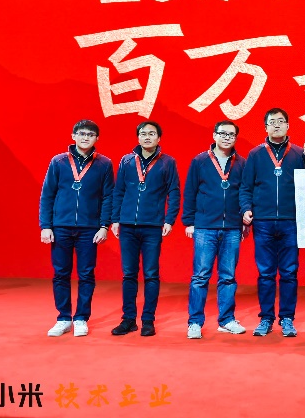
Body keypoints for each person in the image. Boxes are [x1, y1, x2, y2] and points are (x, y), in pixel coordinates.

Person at [240, 108, 305, 337]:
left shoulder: (299, 154)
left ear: (288, 126)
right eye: (273, 122)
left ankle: (287, 318)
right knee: (266, 274)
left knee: (289, 273)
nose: (277, 125)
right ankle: (266, 318)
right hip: (263, 222)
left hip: (291, 221)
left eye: (281, 121)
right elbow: (246, 187)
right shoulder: (255, 154)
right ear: (266, 127)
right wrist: (246, 209)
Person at [39, 119, 115, 337]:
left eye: (90, 135)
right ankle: (63, 318)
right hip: (60, 227)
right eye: (81, 134)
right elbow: (47, 195)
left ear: (97, 138)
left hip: (89, 229)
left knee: (86, 274)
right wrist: (46, 226)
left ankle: (81, 318)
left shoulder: (104, 164)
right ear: (73, 136)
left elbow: (108, 197)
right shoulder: (59, 162)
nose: (85, 138)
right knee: (61, 273)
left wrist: (104, 226)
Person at [110, 121, 180, 337]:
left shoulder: (167, 162)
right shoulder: (127, 161)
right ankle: (128, 319)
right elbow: (119, 191)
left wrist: (169, 220)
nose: (147, 137)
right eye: (143, 133)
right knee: (129, 274)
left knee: (151, 274)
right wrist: (115, 219)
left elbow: (174, 192)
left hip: (152, 226)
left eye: (151, 133)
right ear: (137, 137)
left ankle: (148, 320)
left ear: (159, 138)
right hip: (127, 226)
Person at [183, 120, 248, 340]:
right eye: (223, 133)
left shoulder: (241, 163)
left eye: (231, 135)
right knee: (200, 276)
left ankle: (226, 320)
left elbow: (244, 193)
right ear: (214, 135)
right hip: (205, 227)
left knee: (228, 276)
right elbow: (190, 191)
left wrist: (244, 221)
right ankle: (194, 322)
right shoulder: (200, 161)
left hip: (232, 227)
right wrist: (189, 222)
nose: (227, 138)